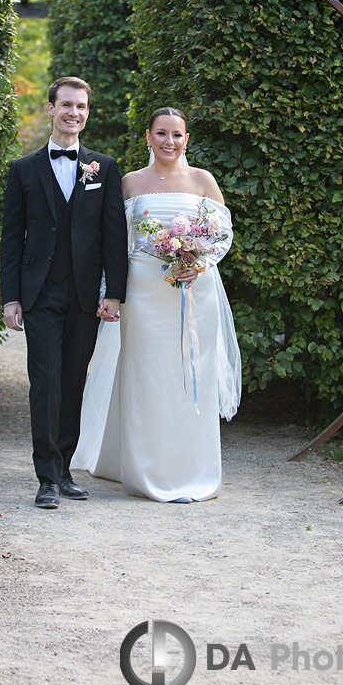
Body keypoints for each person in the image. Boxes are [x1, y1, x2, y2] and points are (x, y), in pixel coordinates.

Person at [72, 106, 241, 502]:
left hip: (193, 293)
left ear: (187, 140)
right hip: (143, 293)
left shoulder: (203, 180)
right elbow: (116, 241)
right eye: (161, 133)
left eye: (177, 134)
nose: (169, 141)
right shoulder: (130, 182)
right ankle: (147, 471)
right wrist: (106, 290)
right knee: (147, 379)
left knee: (188, 379)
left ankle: (190, 470)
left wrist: (198, 262)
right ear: (147, 136)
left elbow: (222, 233)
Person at [1, 77, 128, 508]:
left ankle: (65, 468)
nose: (75, 112)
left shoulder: (104, 168)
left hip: (85, 295)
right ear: (50, 109)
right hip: (39, 295)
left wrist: (115, 293)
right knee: (46, 381)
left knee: (74, 379)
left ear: (87, 113)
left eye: (82, 107)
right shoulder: (22, 170)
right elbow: (11, 238)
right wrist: (10, 296)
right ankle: (46, 477)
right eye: (67, 105)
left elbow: (114, 235)